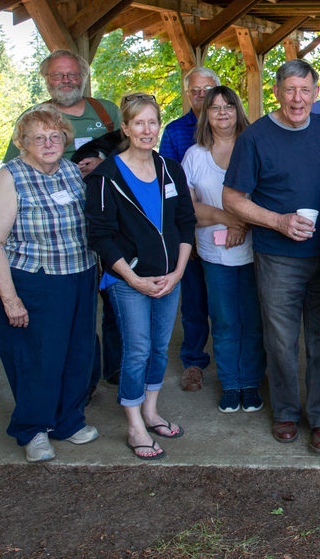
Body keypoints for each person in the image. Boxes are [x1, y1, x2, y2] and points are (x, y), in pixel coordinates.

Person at [222, 59, 320, 453]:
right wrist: (277, 221)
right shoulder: (255, 137)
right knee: (281, 340)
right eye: (290, 90)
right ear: (276, 91)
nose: (298, 99)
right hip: (277, 257)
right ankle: (287, 413)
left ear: (314, 92)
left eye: (305, 90)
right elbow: (232, 198)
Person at [0, 105, 100, 462]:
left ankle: (68, 420)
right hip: (35, 280)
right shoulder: (11, 176)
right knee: (37, 358)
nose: (48, 143)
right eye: (38, 138)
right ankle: (33, 429)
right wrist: (10, 299)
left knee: (78, 353)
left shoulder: (69, 170)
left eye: (54, 136)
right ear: (23, 142)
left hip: (79, 275)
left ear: (65, 139)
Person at [86, 93, 195, 461]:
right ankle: (134, 425)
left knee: (159, 348)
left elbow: (185, 223)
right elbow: (100, 236)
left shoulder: (170, 169)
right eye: (139, 123)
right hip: (128, 281)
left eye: (153, 122)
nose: (147, 130)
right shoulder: (106, 176)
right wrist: (132, 279)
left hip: (168, 278)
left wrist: (178, 272)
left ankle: (151, 410)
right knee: (137, 350)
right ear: (126, 128)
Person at [181, 86, 265, 415]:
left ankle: (251, 382)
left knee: (254, 321)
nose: (222, 113)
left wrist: (241, 225)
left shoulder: (256, 147)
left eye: (229, 106)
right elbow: (189, 211)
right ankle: (231, 384)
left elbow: (267, 200)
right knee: (225, 320)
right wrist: (228, 219)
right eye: (214, 107)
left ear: (238, 110)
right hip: (215, 255)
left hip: (256, 252)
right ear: (206, 114)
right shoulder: (194, 157)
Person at [159, 66, 220, 394]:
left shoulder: (234, 127)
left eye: (207, 88)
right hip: (192, 227)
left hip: (230, 227)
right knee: (194, 301)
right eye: (194, 90)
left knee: (228, 301)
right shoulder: (174, 131)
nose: (200, 95)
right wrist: (186, 234)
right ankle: (193, 361)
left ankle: (233, 361)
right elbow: (171, 185)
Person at [72, 131, 124, 393]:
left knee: (113, 306)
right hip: (74, 241)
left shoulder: (104, 114)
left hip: (107, 234)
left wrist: (102, 162)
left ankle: (114, 366)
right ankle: (85, 382)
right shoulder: (42, 116)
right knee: (82, 315)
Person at [4, 49, 120, 161]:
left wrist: (103, 165)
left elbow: (132, 153)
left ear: (83, 77)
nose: (66, 80)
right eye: (57, 75)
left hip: (104, 179)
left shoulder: (107, 110)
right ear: (46, 78)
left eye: (73, 75)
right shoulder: (32, 116)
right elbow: (12, 166)